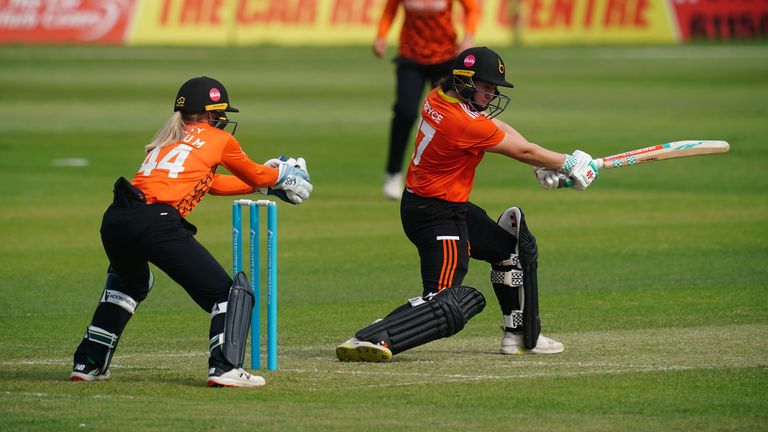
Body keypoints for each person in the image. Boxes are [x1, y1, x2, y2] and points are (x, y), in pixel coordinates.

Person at [336, 47, 598, 362]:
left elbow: (500, 131)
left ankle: (520, 336)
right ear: (464, 81)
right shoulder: (459, 122)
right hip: (435, 216)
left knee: (511, 249)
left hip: (445, 206)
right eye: (487, 87)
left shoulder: (439, 97)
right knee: (445, 301)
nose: (492, 94)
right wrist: (567, 162)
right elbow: (520, 151)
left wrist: (548, 163)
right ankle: (374, 336)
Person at [70, 76, 313, 387]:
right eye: (220, 113)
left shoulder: (168, 138)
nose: (223, 120)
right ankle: (225, 368)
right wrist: (283, 174)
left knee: (129, 284)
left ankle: (88, 363)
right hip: (156, 223)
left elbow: (212, 184)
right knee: (227, 295)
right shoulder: (218, 140)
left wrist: (265, 185)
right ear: (210, 113)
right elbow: (255, 171)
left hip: (117, 219)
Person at [374, 0, 479, 200]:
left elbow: (472, 8)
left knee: (453, 117)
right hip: (410, 56)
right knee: (404, 113)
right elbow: (390, 9)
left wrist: (468, 36)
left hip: (446, 57)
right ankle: (393, 173)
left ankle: (450, 178)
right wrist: (381, 35)